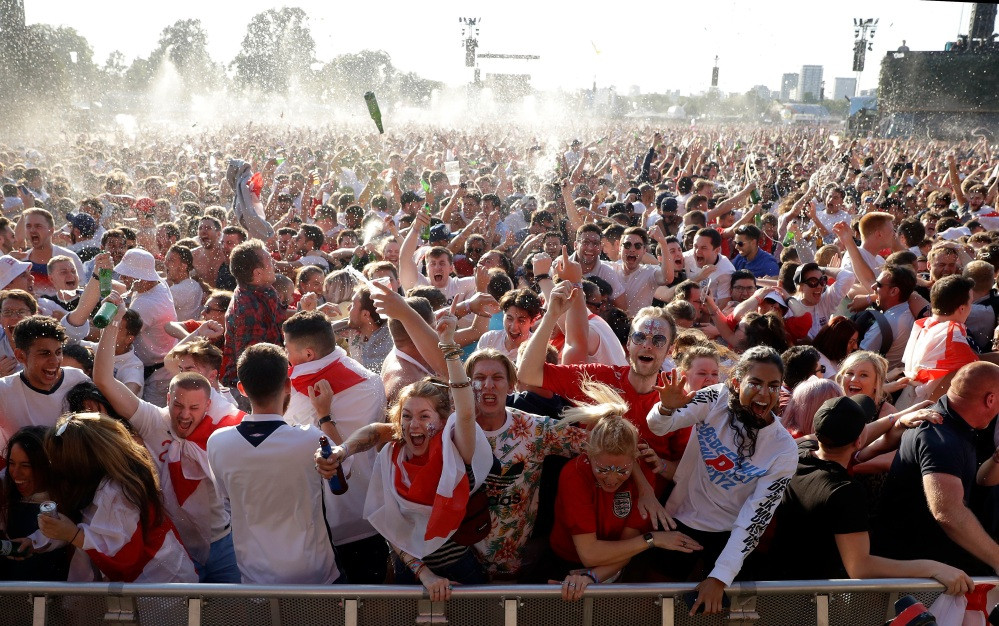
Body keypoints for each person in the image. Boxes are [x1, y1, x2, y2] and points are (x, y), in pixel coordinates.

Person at [317, 312, 494, 601]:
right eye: (407, 416)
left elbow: (465, 410)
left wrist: (448, 344)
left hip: (460, 570)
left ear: (442, 420)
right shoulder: (392, 455)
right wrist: (341, 450)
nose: (415, 425)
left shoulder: (456, 449)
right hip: (409, 571)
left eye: (425, 416)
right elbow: (391, 529)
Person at [768, 396, 973, 595]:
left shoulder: (798, 452)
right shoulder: (844, 491)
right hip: (811, 598)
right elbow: (860, 566)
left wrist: (898, 418)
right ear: (858, 442)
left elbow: (854, 436)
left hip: (779, 581)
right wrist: (933, 568)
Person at [648, 346, 798, 615]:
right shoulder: (713, 398)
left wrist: (719, 577)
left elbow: (755, 520)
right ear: (736, 382)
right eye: (756, 383)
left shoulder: (784, 449)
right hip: (678, 522)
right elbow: (659, 426)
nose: (765, 394)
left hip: (729, 541)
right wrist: (665, 408)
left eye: (774, 386)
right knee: (655, 610)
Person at [548, 380, 702, 600]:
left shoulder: (644, 476)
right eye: (603, 469)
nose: (612, 478)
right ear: (589, 455)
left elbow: (626, 549)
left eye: (622, 470)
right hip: (567, 563)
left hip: (612, 566)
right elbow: (589, 554)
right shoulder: (573, 474)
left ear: (635, 460)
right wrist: (652, 539)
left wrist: (592, 578)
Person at [520, 286, 689, 484]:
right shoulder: (598, 379)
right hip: (589, 497)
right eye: (639, 337)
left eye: (658, 340)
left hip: (646, 509)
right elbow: (528, 374)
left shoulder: (677, 397)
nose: (647, 345)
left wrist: (662, 465)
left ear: (669, 350)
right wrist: (551, 316)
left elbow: (686, 469)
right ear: (628, 344)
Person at [207, 343, 342, 584]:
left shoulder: (217, 443)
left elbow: (226, 498)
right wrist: (325, 416)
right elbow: (345, 469)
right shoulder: (310, 438)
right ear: (288, 386)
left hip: (256, 579)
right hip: (314, 577)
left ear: (242, 389)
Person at [282, 310, 389, 584]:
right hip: (367, 512)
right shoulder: (371, 380)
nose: (285, 355)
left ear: (308, 354)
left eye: (287, 348)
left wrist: (325, 416)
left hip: (329, 521)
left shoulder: (294, 391)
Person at [463, 348, 588, 580]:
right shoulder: (453, 429)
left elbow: (600, 445)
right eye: (479, 378)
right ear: (467, 387)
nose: (488, 385)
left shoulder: (534, 429)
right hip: (461, 565)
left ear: (512, 386)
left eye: (497, 377)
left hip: (519, 567)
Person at [37, 413, 197, 583]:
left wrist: (73, 534)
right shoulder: (97, 483)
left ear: (83, 459)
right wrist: (35, 540)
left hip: (161, 584)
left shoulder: (117, 491)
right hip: (143, 586)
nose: (59, 466)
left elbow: (122, 554)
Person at [874, 362, 999, 576]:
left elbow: (976, 481)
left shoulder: (951, 421)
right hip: (912, 580)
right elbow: (948, 511)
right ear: (990, 400)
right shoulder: (941, 436)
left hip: (927, 570)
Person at [0, 316, 91, 455]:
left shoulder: (78, 379)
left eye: (58, 352)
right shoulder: (3, 391)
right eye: (45, 353)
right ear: (20, 356)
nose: (55, 361)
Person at [0, 426, 70, 581]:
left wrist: (33, 542)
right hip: (8, 591)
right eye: (11, 463)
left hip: (51, 593)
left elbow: (63, 535)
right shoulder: (5, 488)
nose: (16, 473)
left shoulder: (68, 495)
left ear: (47, 465)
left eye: (26, 466)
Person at [220, 239, 289, 395]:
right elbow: (253, 362)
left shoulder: (264, 288)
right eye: (270, 262)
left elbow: (280, 319)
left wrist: (307, 310)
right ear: (257, 273)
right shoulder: (245, 308)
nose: (274, 265)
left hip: (270, 374)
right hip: (249, 389)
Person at [899, 275, 978, 407]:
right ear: (962, 308)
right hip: (924, 412)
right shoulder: (952, 332)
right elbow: (976, 371)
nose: (972, 307)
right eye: (971, 302)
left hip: (907, 403)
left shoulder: (925, 324)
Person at [114, 248, 179, 405]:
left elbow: (117, 336)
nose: (121, 277)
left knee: (153, 421)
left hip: (158, 377)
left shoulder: (147, 304)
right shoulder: (158, 285)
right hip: (163, 366)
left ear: (141, 278)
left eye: (126, 274)